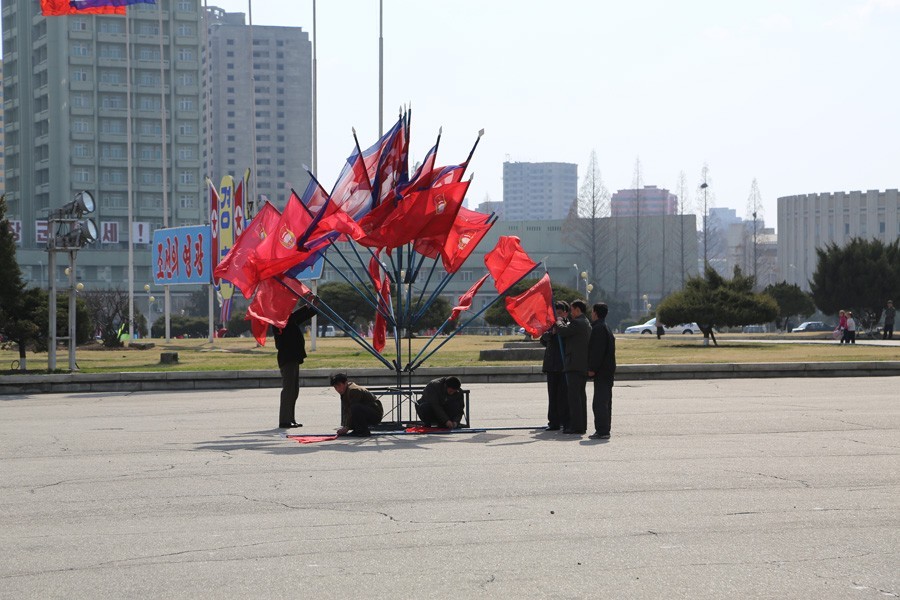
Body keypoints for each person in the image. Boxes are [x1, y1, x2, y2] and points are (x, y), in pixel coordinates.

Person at [273, 301, 317, 428]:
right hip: (287, 359)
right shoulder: (279, 321)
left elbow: (300, 318)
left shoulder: (288, 320)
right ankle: (285, 420)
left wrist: (313, 307)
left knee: (294, 390)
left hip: (293, 358)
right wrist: (308, 306)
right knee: (288, 390)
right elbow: (294, 317)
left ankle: (290, 418)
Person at [555, 299, 591, 435]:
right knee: (580, 397)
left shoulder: (578, 322)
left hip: (575, 365)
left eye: (572, 309)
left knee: (574, 397)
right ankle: (581, 425)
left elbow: (563, 331)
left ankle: (576, 426)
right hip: (581, 365)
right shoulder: (585, 322)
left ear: (577, 310)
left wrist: (558, 321)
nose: (570, 312)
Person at [587, 303, 617, 440]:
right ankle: (604, 429)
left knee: (600, 402)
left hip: (602, 371)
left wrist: (592, 369)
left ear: (595, 313)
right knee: (605, 401)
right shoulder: (606, 326)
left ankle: (602, 430)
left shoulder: (598, 328)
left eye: (592, 311)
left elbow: (597, 352)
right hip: (607, 370)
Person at [539, 301, 570, 431]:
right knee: (552, 395)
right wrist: (551, 333)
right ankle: (553, 421)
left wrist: (561, 329)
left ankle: (564, 420)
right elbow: (543, 339)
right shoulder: (550, 325)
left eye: (560, 312)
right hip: (552, 365)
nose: (557, 315)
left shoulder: (569, 325)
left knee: (563, 395)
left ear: (565, 313)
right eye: (555, 312)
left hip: (564, 366)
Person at [330, 373, 384, 437]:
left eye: (339, 385)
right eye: (335, 387)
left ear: (345, 383)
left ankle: (364, 431)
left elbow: (352, 409)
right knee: (353, 409)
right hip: (366, 411)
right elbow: (346, 410)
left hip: (375, 414)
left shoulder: (353, 390)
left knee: (355, 407)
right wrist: (344, 426)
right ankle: (357, 430)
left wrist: (346, 428)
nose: (337, 389)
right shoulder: (345, 391)